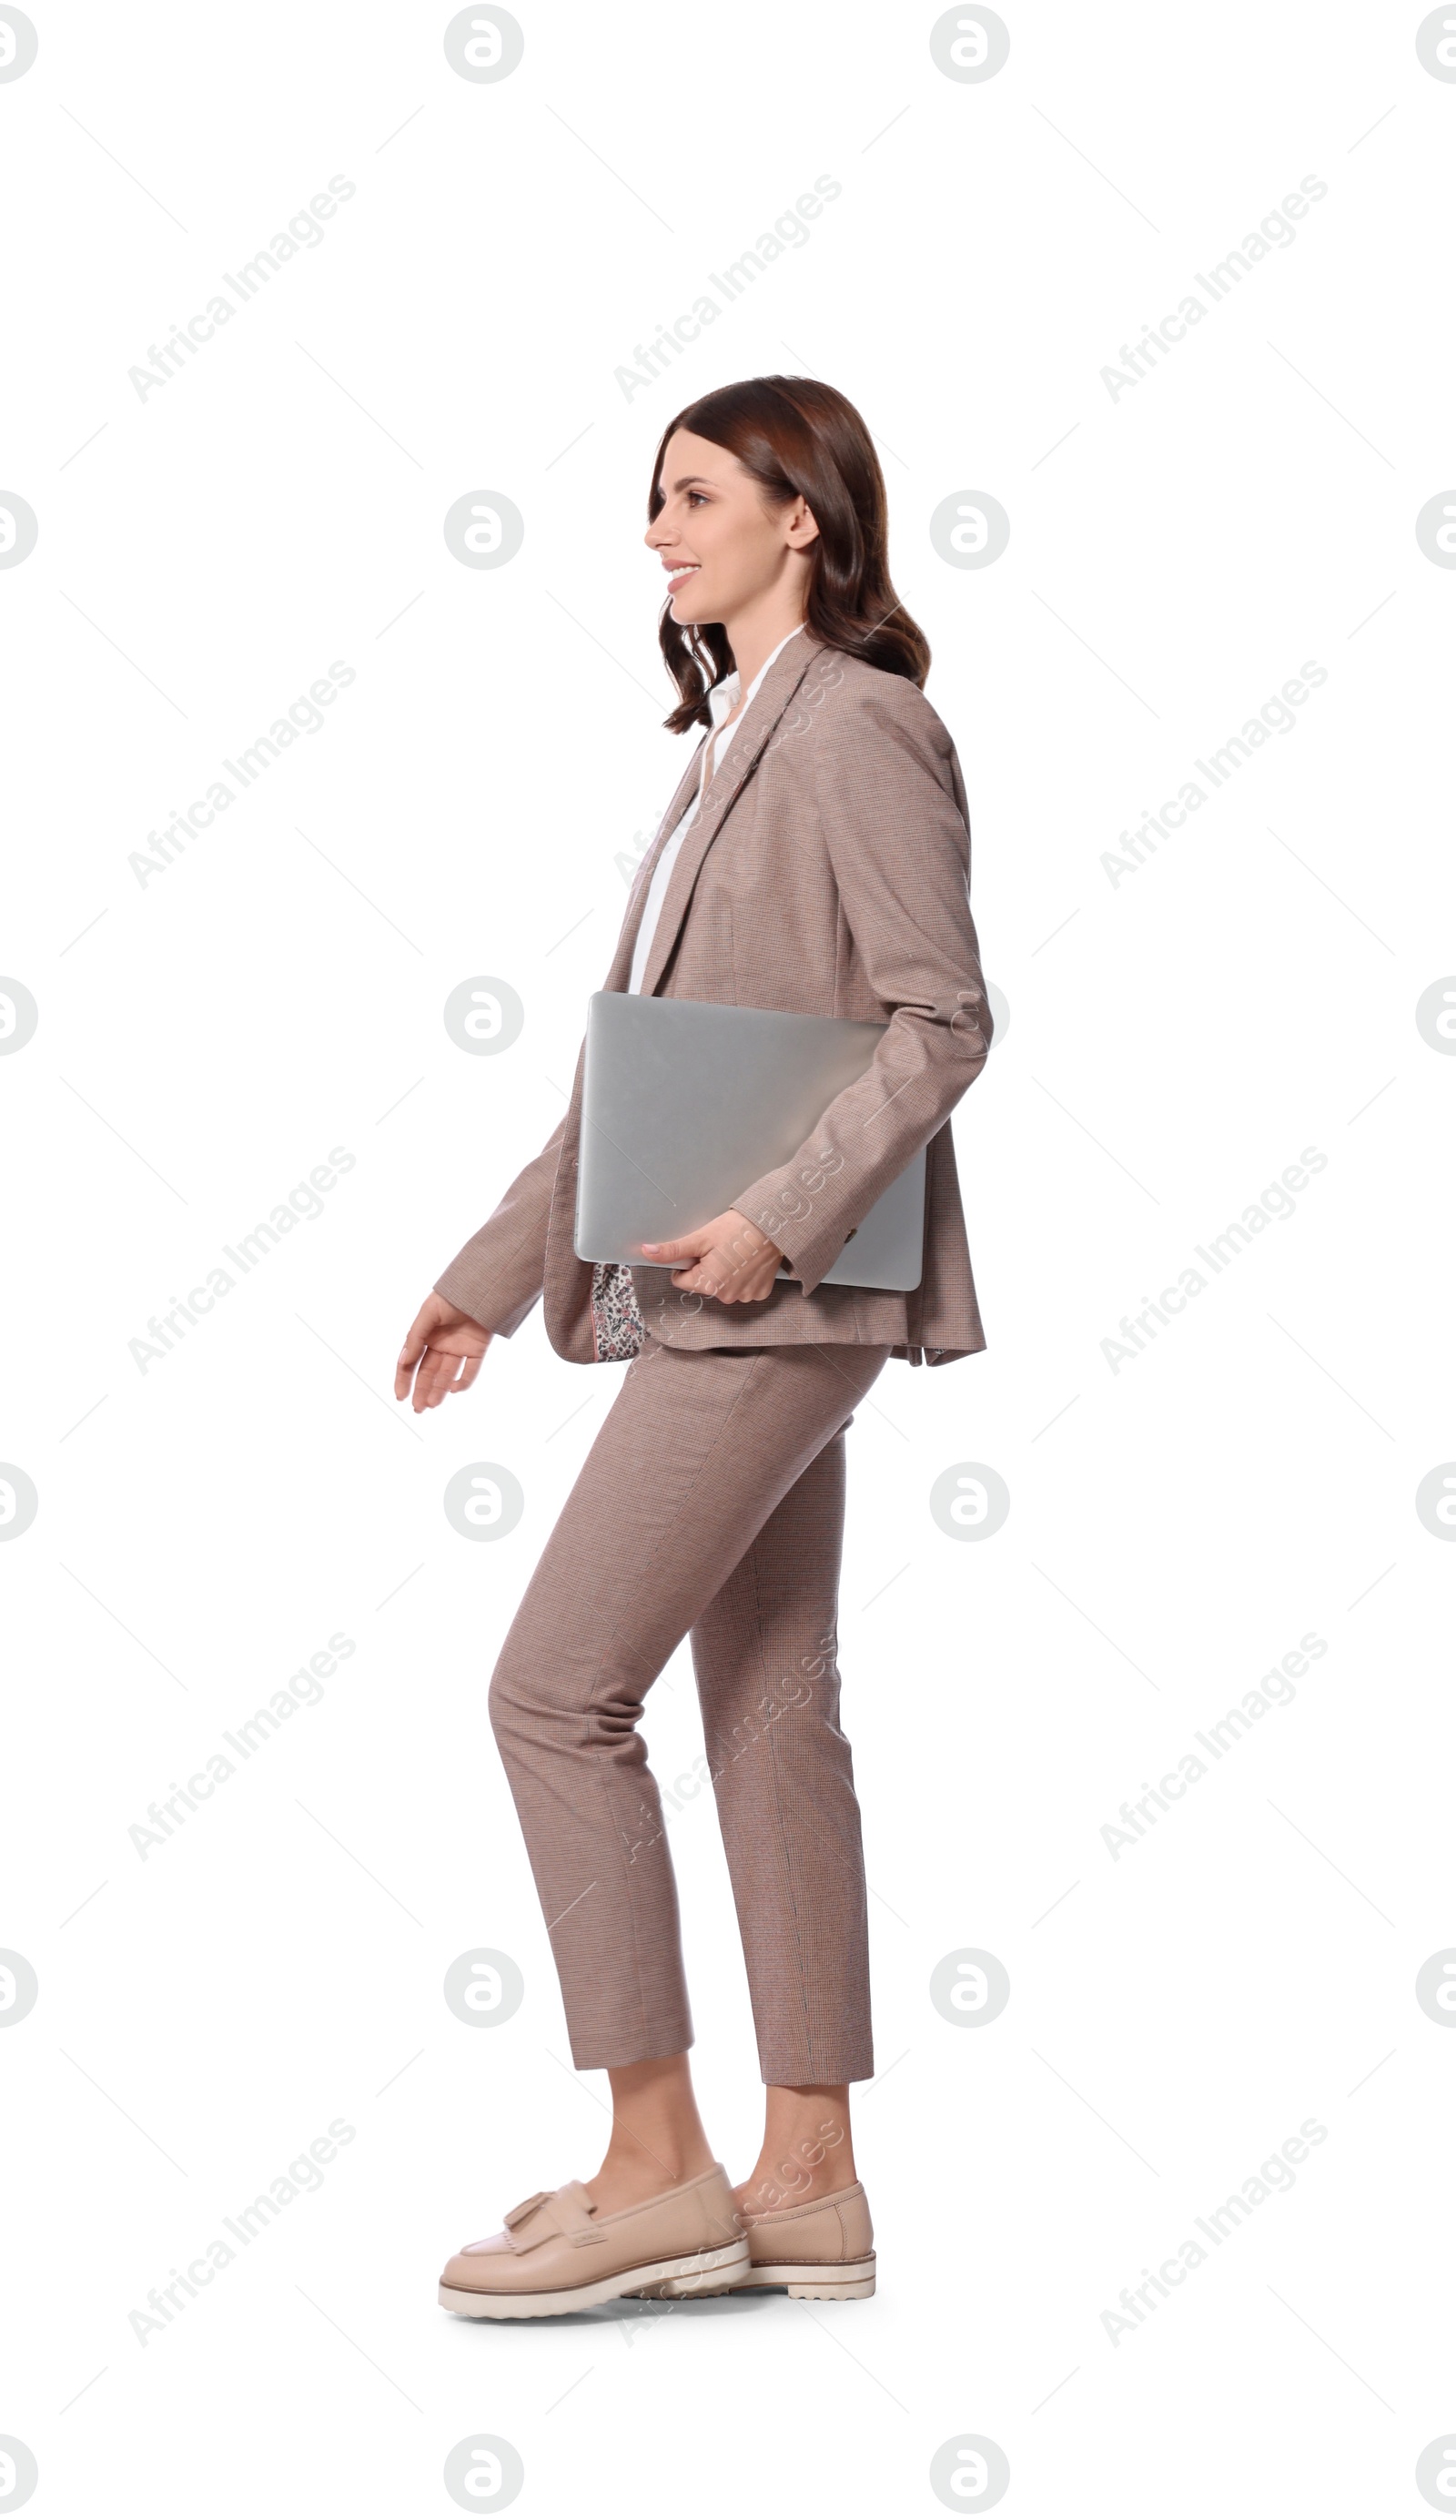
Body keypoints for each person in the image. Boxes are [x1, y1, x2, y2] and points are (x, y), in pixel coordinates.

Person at [397, 375, 994, 2319]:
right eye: (651, 502)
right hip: (742, 1283)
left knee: (551, 1691)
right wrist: (490, 1268)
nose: (655, 532)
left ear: (798, 517)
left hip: (775, 1297)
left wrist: (770, 1223)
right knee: (763, 1707)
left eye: (690, 496)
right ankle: (805, 2174)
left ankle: (653, 2158)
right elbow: (638, 1075)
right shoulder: (729, 743)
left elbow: (938, 1018)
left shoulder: (858, 727)